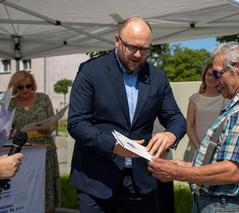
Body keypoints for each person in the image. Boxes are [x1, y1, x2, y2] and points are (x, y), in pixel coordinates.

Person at [67, 16, 186, 213]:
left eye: (145, 49)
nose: (138, 55)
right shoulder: (91, 71)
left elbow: (176, 118)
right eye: (132, 47)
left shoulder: (157, 77)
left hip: (142, 182)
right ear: (117, 40)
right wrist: (113, 146)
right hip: (97, 181)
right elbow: (77, 123)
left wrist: (170, 134)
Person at [148, 42, 239, 213]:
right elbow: (225, 162)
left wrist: (176, 173)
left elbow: (232, 171)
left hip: (225, 206)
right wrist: (186, 166)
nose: (216, 81)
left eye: (218, 73)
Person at [8, 70, 60, 213]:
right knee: (25, 189)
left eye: (29, 86)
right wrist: (11, 132)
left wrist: (50, 127)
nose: (25, 90)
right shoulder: (11, 104)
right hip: (22, 151)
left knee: (46, 187)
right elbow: (7, 128)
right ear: (15, 88)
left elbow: (54, 122)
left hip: (45, 149)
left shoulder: (44, 99)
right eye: (21, 87)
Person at [186, 62, 227, 161]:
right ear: (204, 75)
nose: (211, 78)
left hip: (219, 151)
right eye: (209, 74)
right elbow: (189, 126)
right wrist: (199, 148)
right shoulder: (194, 99)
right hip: (197, 149)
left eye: (214, 75)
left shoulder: (225, 98)